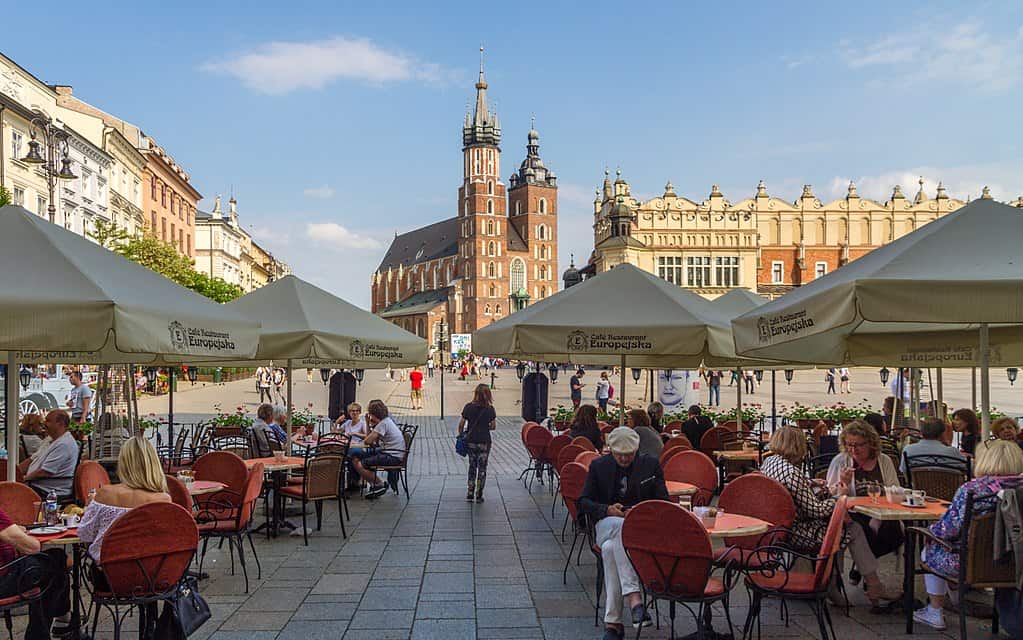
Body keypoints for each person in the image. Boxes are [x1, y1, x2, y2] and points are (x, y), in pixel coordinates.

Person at [762, 426, 900, 607]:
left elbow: (796, 493)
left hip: (776, 527)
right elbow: (816, 510)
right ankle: (866, 584)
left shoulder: (770, 462)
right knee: (848, 529)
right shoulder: (792, 472)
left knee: (844, 526)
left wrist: (809, 483)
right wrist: (839, 496)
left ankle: (837, 584)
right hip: (797, 531)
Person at [914, 440, 1023, 630]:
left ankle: (935, 611)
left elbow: (947, 530)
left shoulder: (973, 490)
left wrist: (930, 531)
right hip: (1015, 563)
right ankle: (955, 598)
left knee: (930, 547)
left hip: (972, 564)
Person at [578, 427, 668, 639]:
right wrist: (606, 509)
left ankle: (613, 624)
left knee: (610, 550)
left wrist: (639, 511)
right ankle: (634, 598)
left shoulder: (651, 465)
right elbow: (583, 502)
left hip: (640, 530)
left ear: (637, 450)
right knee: (619, 526)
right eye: (620, 454)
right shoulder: (598, 466)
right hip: (607, 525)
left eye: (629, 454)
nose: (625, 458)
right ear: (611, 450)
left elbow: (663, 502)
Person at [824, 420, 903, 606]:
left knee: (895, 533)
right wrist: (842, 484)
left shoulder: (884, 461)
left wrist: (879, 509)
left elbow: (895, 490)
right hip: (854, 515)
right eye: (849, 445)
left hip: (882, 514)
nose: (854, 450)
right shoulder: (841, 461)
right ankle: (872, 582)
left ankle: (861, 572)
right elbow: (832, 495)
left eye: (859, 445)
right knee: (854, 528)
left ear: (871, 443)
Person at [0, 506, 71, 639]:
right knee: (54, 563)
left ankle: (63, 621)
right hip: (3, 579)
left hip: (7, 571)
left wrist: (14, 530)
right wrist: (20, 535)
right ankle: (57, 624)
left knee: (51, 561)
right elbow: (32, 547)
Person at [351, 400, 406, 499]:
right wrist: (368, 423)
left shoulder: (383, 424)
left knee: (359, 463)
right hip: (392, 453)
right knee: (355, 456)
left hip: (392, 456)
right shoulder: (386, 421)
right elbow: (370, 440)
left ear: (374, 414)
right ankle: (374, 484)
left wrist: (369, 425)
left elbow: (367, 441)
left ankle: (379, 484)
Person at [19, 411, 77, 498]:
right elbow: (32, 459)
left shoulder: (64, 444)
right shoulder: (50, 439)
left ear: (60, 424)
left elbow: (45, 472)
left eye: (48, 421)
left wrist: (22, 479)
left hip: (49, 490)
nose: (44, 423)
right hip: (36, 484)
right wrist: (14, 472)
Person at [459, 384, 496, 503]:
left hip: (471, 442)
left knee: (472, 466)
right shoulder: (490, 409)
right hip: (484, 442)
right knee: (482, 468)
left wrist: (462, 434)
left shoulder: (468, 407)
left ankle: (470, 491)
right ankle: (479, 493)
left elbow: (461, 424)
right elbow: (493, 426)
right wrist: (485, 427)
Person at [900, 418, 966, 473]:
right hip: (949, 487)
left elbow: (903, 470)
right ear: (943, 434)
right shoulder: (952, 452)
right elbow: (969, 468)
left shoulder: (908, 450)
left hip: (917, 487)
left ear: (921, 433)